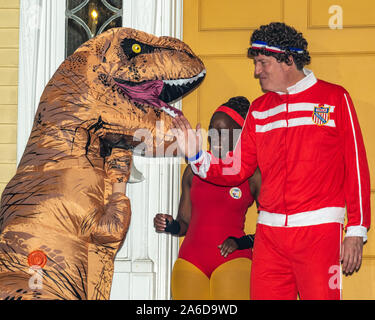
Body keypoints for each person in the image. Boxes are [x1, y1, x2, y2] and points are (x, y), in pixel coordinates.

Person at [173, 22, 371, 300]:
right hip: (269, 237)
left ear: (288, 59)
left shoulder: (335, 98)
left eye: (263, 63)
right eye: (256, 64)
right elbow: (237, 168)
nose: (256, 72)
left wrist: (356, 231)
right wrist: (196, 155)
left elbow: (356, 168)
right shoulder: (259, 109)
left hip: (320, 233)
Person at [154, 96, 261, 300]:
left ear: (241, 136)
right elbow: (184, 223)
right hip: (190, 262)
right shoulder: (194, 170)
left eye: (223, 133)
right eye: (212, 130)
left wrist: (242, 242)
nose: (214, 137)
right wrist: (171, 225)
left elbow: (272, 229)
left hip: (233, 261)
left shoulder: (253, 174)